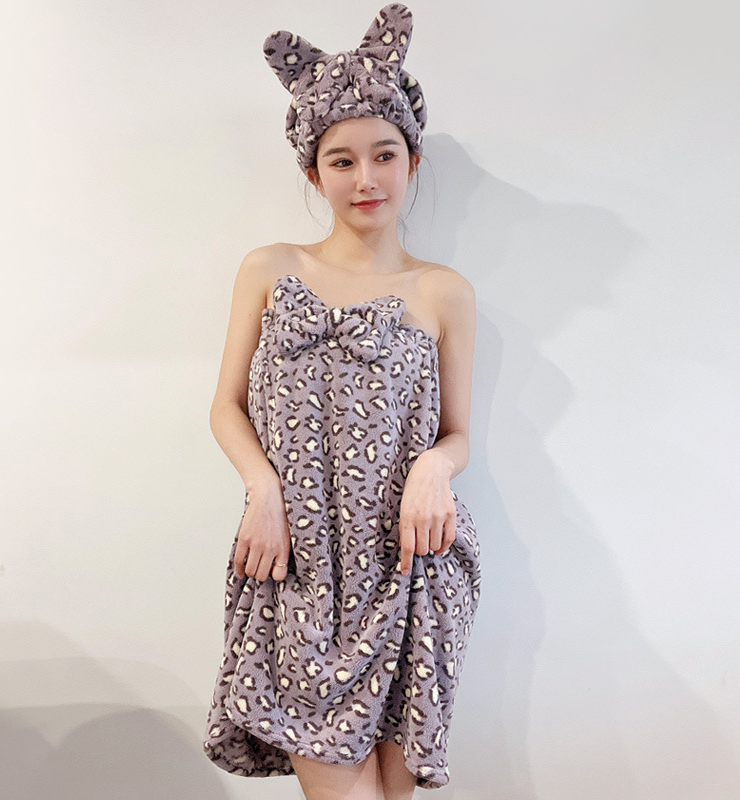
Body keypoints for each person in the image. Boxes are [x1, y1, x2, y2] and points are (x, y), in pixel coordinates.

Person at [203, 5, 481, 799]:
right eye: (342, 160)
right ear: (313, 173)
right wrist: (262, 487)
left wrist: (433, 467)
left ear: (413, 161)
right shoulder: (269, 269)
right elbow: (225, 406)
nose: (366, 179)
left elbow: (459, 434)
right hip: (298, 569)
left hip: (411, 569)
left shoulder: (444, 292)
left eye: (384, 155)